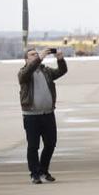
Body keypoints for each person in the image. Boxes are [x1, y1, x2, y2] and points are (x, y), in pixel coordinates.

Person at [18, 47, 67, 185]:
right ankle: (34, 174)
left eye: (36, 54)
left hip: (48, 114)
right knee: (33, 146)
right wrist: (40, 57)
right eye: (32, 55)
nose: (35, 56)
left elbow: (61, 71)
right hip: (31, 116)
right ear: (26, 59)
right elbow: (27, 72)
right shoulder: (23, 73)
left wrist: (60, 59)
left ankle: (43, 170)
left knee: (51, 144)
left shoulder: (46, 71)